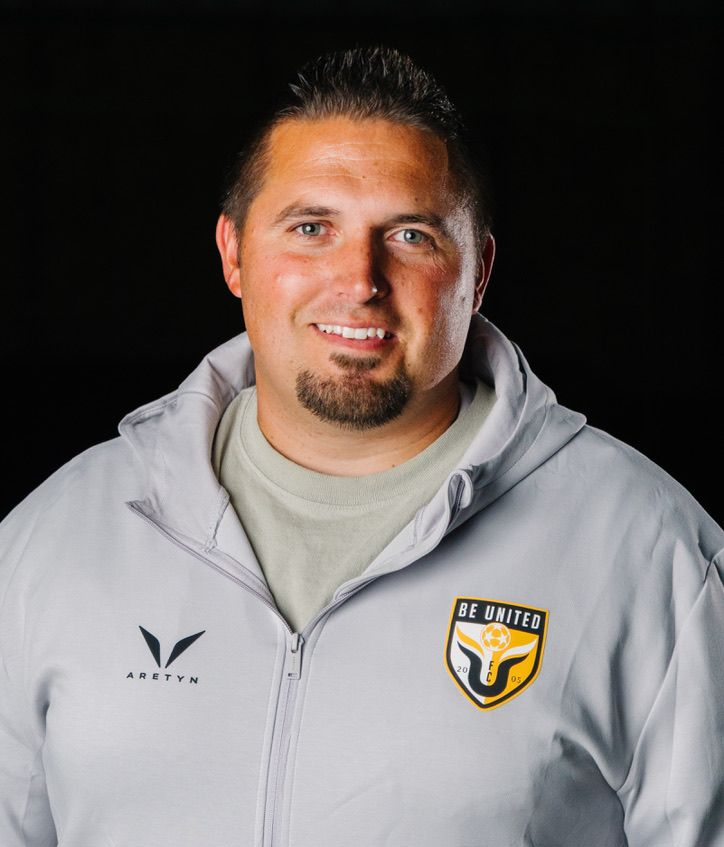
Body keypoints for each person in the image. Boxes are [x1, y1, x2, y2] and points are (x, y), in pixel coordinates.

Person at [0, 46, 722, 847]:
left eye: (410, 235)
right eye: (311, 227)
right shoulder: (56, 539)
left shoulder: (652, 553)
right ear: (235, 253)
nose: (359, 279)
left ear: (477, 270)